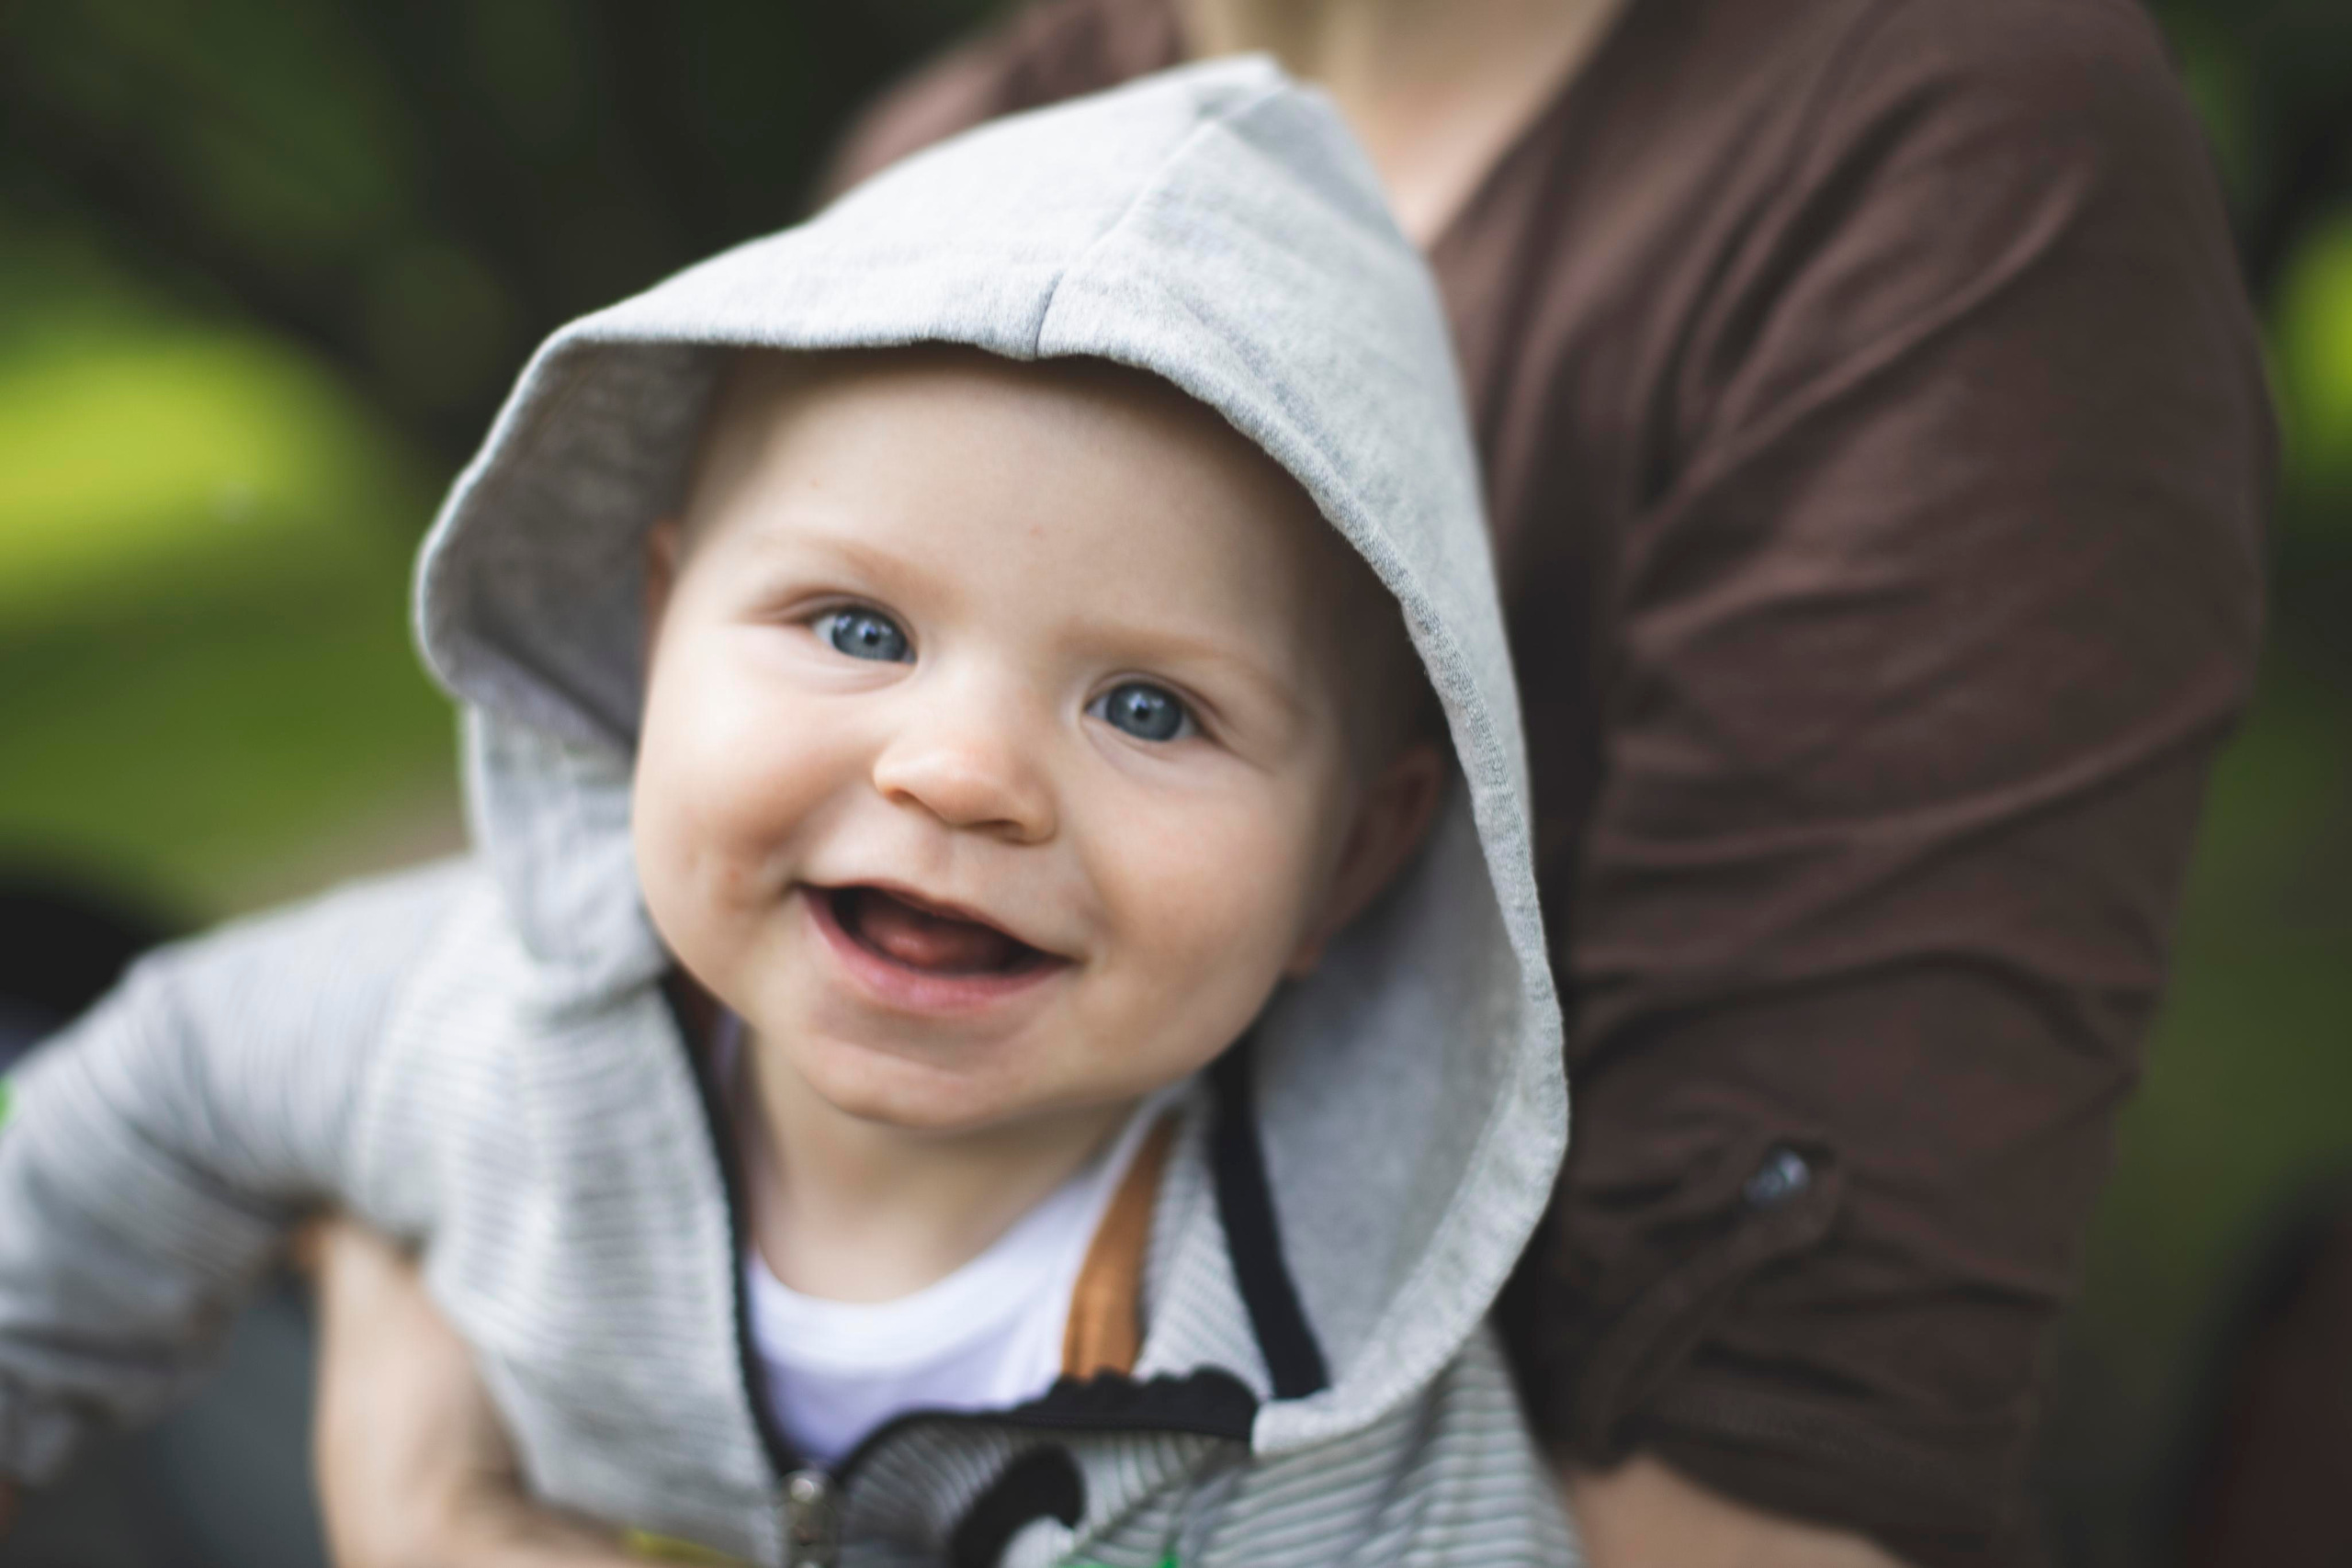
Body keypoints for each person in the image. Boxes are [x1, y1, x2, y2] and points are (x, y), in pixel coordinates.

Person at [0, 61, 1578, 1566]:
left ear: (1350, 859)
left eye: (1149, 708)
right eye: (858, 629)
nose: (958, 774)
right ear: (664, 630)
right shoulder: (479, 1027)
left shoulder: (1329, 1385)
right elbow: (163, 1091)